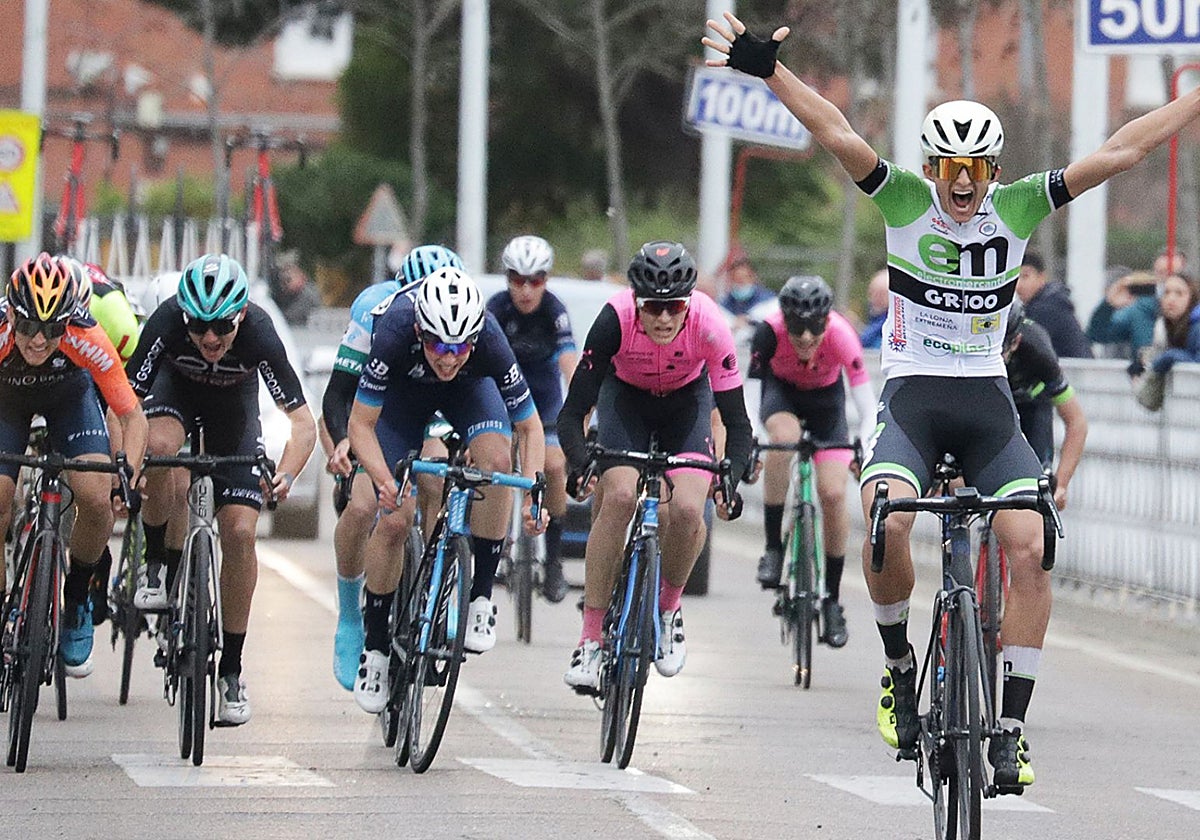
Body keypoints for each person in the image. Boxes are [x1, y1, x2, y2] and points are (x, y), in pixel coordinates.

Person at [706, 10, 1200, 791]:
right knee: (888, 522)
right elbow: (836, 130)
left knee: (1032, 542)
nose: (962, 186)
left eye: (975, 170)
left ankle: (1008, 729)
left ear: (994, 169)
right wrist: (770, 72)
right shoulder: (904, 200)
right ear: (931, 168)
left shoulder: (1021, 206)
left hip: (986, 401)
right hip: (912, 396)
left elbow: (1124, 147)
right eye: (948, 170)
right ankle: (900, 669)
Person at [127, 253, 317, 726]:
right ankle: (154, 565)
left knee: (240, 534)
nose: (210, 338)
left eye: (222, 328)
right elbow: (127, 405)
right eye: (199, 328)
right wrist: (126, 467)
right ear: (184, 318)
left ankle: (231, 669)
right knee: (161, 448)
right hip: (176, 397)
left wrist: (288, 474)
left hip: (235, 415)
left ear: (240, 318)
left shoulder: (260, 333)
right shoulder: (166, 320)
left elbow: (302, 423)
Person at [347, 267, 546, 714]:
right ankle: (375, 649)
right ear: (420, 331)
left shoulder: (489, 338)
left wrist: (534, 491)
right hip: (402, 397)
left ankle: (479, 598)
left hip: (469, 393)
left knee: (496, 464)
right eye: (438, 344)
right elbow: (360, 425)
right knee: (396, 518)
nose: (449, 356)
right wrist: (382, 478)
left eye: (459, 346)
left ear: (474, 337)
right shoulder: (395, 329)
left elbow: (529, 426)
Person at [557, 241, 752, 691]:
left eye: (674, 307)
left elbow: (739, 425)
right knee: (620, 496)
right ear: (635, 302)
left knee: (687, 508)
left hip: (686, 404)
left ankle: (668, 608)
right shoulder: (613, 320)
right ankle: (590, 640)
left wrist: (731, 479)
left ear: (688, 303)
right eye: (653, 308)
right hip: (626, 401)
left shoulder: (709, 325)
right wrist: (582, 461)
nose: (664, 319)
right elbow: (572, 415)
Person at [319, 244, 464, 691]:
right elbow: (338, 393)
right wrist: (344, 439)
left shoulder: (462, 317)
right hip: (381, 407)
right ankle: (349, 614)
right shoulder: (374, 309)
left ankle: (438, 577)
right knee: (363, 508)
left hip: (434, 402)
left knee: (440, 469)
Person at [0, 254, 148, 677]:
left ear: (70, 321)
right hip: (6, 404)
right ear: (11, 315)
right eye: (28, 327)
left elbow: (131, 415)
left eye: (52, 329)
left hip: (69, 400)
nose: (39, 341)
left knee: (95, 497)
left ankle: (78, 595)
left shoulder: (87, 335)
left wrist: (129, 475)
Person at [749, 275, 876, 648]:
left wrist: (864, 445)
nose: (805, 338)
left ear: (827, 321)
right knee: (783, 441)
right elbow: (750, 394)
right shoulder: (767, 332)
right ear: (784, 320)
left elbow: (867, 405)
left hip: (826, 404)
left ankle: (832, 600)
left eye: (814, 328)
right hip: (781, 396)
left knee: (834, 494)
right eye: (797, 328)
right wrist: (754, 437)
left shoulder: (842, 336)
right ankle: (774, 547)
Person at [489, 235, 578, 602]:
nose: (525, 290)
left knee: (554, 467)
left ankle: (553, 560)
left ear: (547, 279)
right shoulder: (495, 309)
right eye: (517, 279)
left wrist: (581, 405)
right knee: (495, 463)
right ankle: (493, 545)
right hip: (500, 398)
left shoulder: (554, 312)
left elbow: (569, 362)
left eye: (535, 280)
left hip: (543, 402)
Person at [1003, 299, 1087, 510]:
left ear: (1015, 341)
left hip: (1031, 404)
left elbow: (1076, 422)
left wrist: (1062, 485)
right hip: (989, 403)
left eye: (1000, 350)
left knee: (1040, 485)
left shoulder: (1037, 351)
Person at [1133, 272, 1200, 410]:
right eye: (1166, 292)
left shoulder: (1197, 327)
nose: (1171, 299)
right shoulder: (1168, 326)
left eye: (1179, 293)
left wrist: (1167, 358)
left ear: (1192, 298)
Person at [1015, 252, 1093, 359]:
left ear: (1041, 277)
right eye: (1015, 278)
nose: (1019, 284)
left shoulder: (1048, 308)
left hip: (1074, 372)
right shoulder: (1045, 303)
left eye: (1025, 276)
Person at [1086, 269, 1162, 368]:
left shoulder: (1187, 320)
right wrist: (1108, 305)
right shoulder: (1138, 312)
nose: (1172, 298)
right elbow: (1097, 334)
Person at [718, 251, 775, 326]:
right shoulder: (725, 304)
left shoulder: (769, 302)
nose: (740, 284)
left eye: (743, 279)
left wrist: (748, 320)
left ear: (753, 278)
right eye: (736, 280)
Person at [274, 251, 321, 326]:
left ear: (301, 275)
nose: (285, 283)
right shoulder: (288, 295)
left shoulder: (308, 296)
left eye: (289, 279)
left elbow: (289, 317)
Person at [858, 268, 888, 350]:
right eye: (872, 292)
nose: (875, 298)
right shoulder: (873, 318)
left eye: (881, 294)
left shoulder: (888, 324)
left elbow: (863, 342)